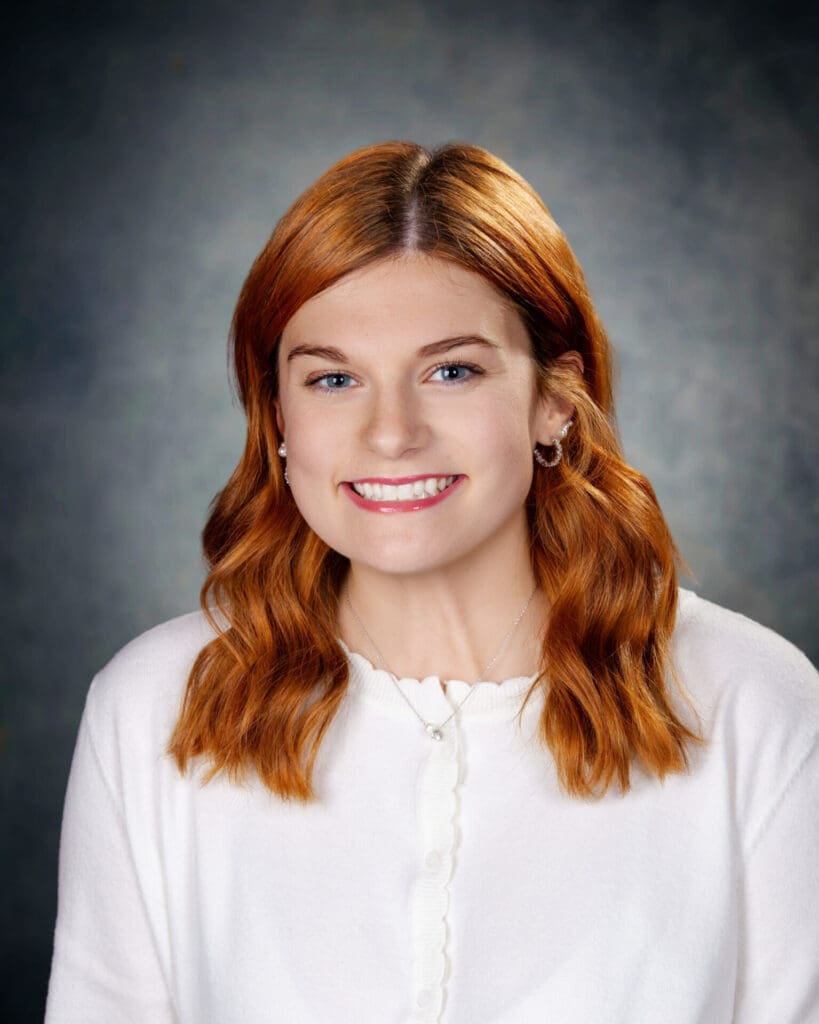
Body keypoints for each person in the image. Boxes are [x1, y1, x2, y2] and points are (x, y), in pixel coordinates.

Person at [45, 141, 818, 1024]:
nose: (390, 433)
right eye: (333, 378)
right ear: (279, 418)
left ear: (554, 399)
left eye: (451, 371)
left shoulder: (753, 704)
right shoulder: (154, 707)